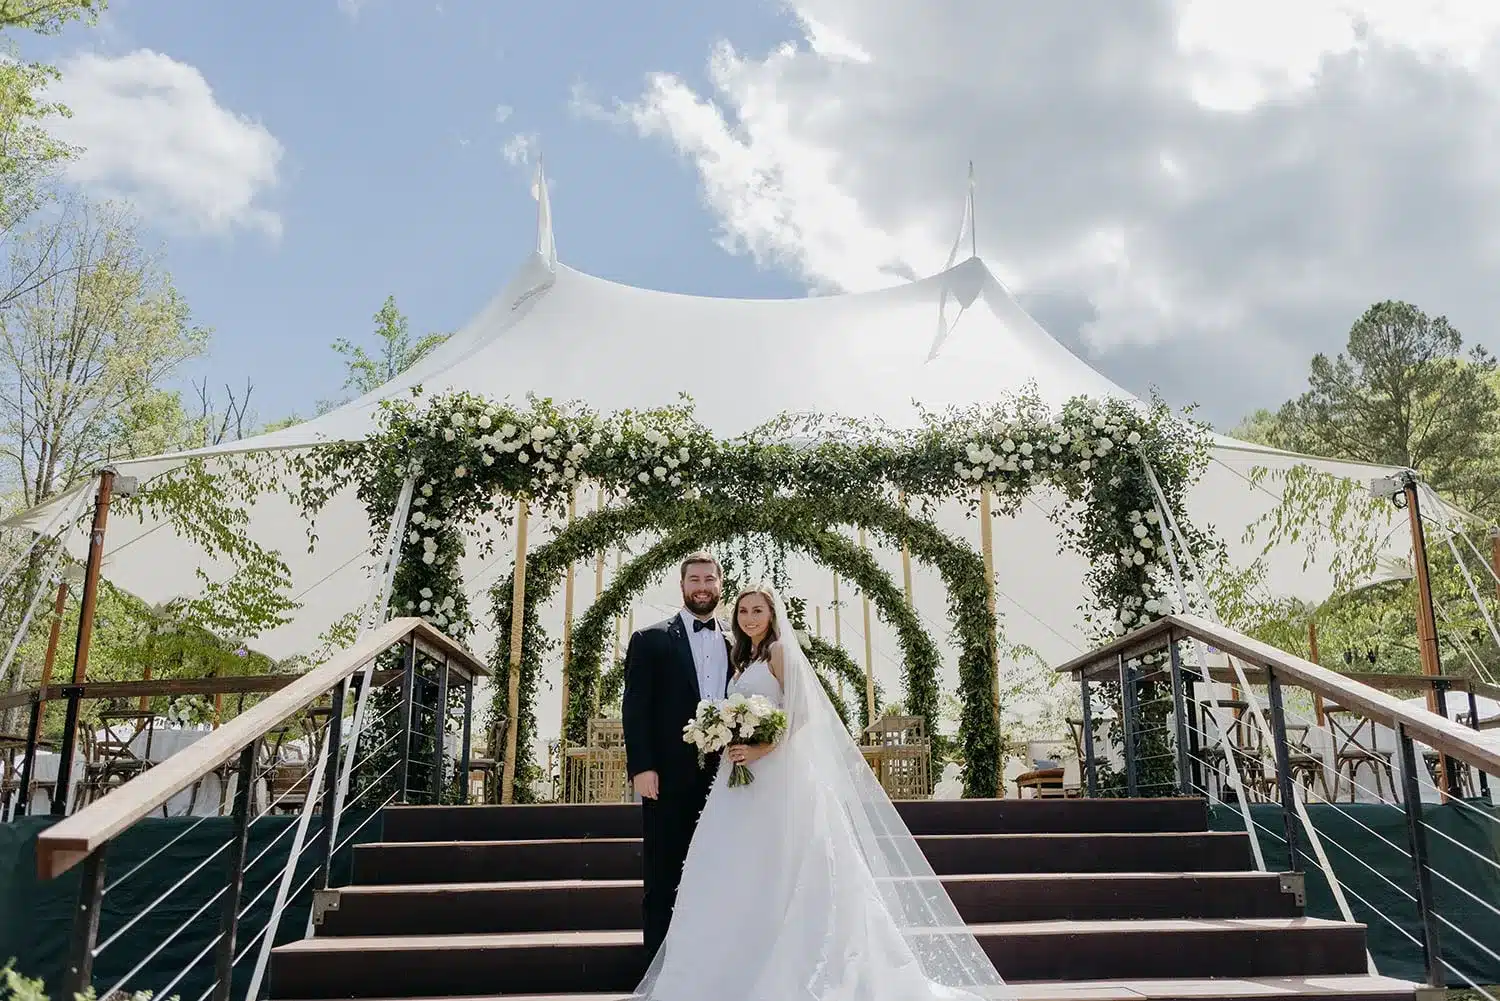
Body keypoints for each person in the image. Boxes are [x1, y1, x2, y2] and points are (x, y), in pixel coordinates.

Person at [635, 584, 1008, 1001]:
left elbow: (802, 713)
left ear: (772, 615)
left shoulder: (778, 652)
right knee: (734, 866)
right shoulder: (741, 659)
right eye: (743, 611)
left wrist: (760, 748)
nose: (750, 618)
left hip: (777, 774)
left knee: (786, 864)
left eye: (757, 610)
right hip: (736, 779)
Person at [621, 552, 733, 961]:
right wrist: (642, 766)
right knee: (664, 871)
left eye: (709, 579)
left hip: (728, 777)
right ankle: (658, 967)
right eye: (694, 580)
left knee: (723, 869)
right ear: (682, 586)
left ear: (720, 584)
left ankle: (713, 960)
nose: (702, 587)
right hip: (666, 776)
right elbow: (636, 707)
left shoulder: (738, 644)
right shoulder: (650, 640)